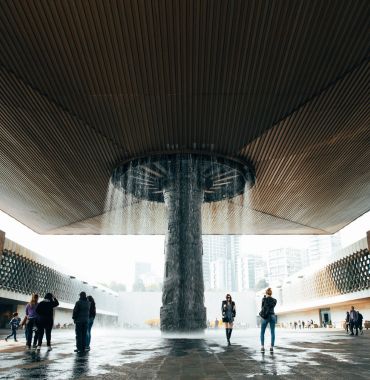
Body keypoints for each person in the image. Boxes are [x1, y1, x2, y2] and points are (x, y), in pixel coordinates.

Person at [260, 288, 277, 353]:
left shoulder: (264, 299)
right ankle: (271, 347)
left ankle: (262, 347)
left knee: (262, 332)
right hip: (272, 316)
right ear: (271, 293)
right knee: (272, 332)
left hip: (265, 317)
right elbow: (272, 306)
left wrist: (264, 297)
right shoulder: (274, 300)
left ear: (266, 293)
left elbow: (262, 307)